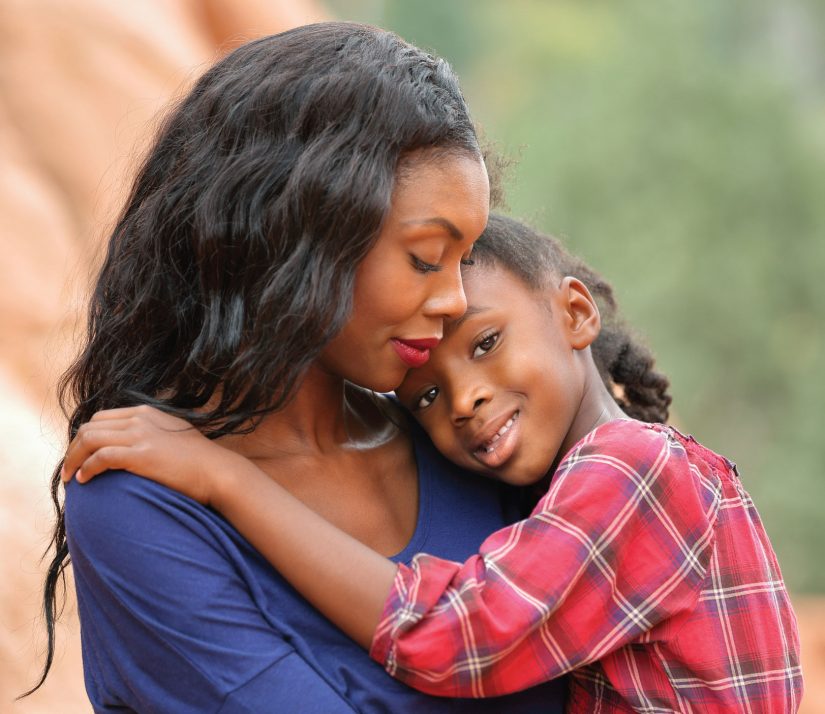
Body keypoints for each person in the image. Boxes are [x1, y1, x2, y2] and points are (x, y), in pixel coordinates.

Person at [65, 214, 803, 712]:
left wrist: (224, 478)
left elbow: (454, 635)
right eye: (423, 397)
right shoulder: (620, 478)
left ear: (576, 314)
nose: (464, 400)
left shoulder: (628, 468)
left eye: (484, 344)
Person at [34, 24, 568, 712]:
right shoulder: (139, 502)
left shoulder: (468, 440)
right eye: (424, 258)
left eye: (463, 261)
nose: (453, 300)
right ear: (301, 233)